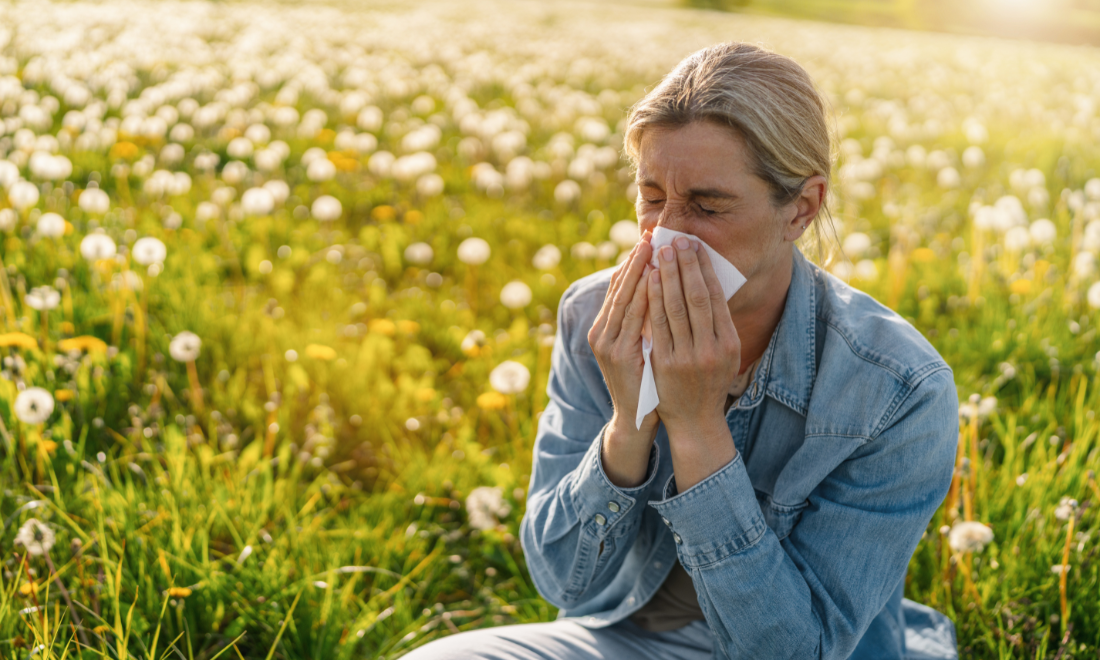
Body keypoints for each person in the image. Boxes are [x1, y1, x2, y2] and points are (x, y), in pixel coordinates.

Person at [404, 41, 959, 660]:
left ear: (801, 208)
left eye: (706, 205)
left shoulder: (897, 388)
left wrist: (696, 428)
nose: (665, 232)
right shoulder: (597, 318)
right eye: (650, 196)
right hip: (630, 636)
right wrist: (629, 422)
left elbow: (795, 650)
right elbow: (565, 582)